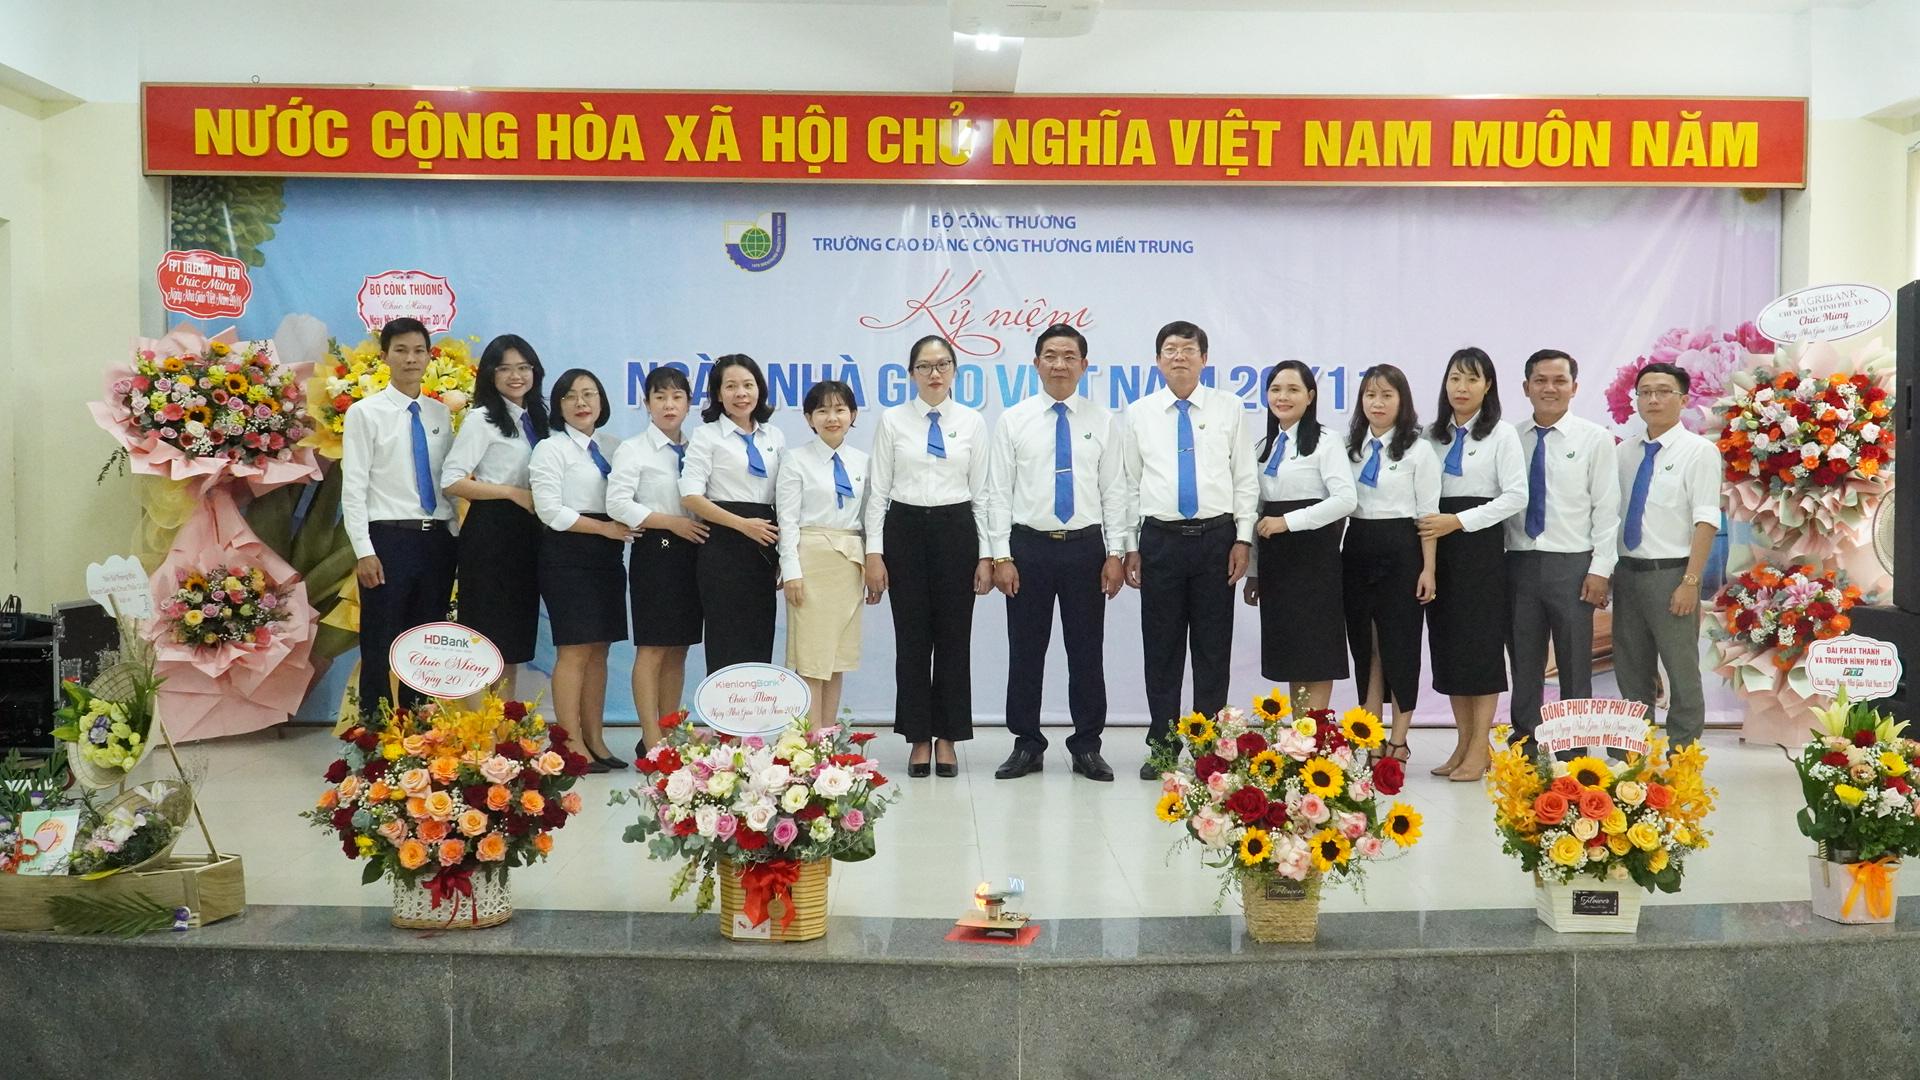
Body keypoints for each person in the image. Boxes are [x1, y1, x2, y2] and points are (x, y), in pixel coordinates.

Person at [985, 325, 1128, 783]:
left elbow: (1114, 491)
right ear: (1036, 364)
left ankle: (1087, 745)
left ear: (1084, 365)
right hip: (1028, 547)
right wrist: (1001, 556)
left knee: (1086, 652)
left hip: (1086, 548)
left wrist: (1116, 552)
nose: (1059, 364)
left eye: (1069, 356)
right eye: (1050, 356)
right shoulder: (1014, 420)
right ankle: (1027, 743)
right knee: (1026, 651)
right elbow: (997, 492)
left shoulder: (1103, 421)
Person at [1121, 321, 1258, 780]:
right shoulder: (1139, 413)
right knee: (1161, 649)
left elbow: (1244, 478)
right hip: (1159, 540)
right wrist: (1130, 546)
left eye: (1188, 349)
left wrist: (1243, 538)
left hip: (1216, 540)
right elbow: (1129, 483)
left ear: (1204, 358)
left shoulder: (1229, 407)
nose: (1179, 356)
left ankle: (1208, 749)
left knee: (1212, 649)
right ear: (1157, 360)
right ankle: (1162, 746)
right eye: (1170, 349)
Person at [864, 335, 992, 778]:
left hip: (957, 531)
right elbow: (878, 492)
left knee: (955, 639)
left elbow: (982, 494)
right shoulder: (893, 420)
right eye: (924, 366)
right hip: (905, 530)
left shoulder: (972, 421)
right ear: (911, 373)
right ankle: (919, 737)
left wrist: (987, 555)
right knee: (912, 640)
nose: (934, 373)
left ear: (955, 370)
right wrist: (874, 552)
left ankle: (948, 738)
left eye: (942, 365)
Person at [1416, 347, 1527, 780]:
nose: (1462, 388)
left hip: (1479, 551)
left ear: (1488, 386)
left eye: (1472, 379)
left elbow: (1516, 496)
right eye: (1455, 379)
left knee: (1480, 652)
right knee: (1450, 651)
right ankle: (1463, 743)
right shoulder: (1430, 436)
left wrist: (1459, 521)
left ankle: (1481, 747)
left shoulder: (1501, 435)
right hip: (1437, 550)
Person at [342, 317, 457, 719]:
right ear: (385, 356)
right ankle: (373, 732)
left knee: (426, 641)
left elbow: (447, 481)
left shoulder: (440, 414)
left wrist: (455, 535)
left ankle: (420, 729)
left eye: (419, 350)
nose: (411, 359)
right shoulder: (365, 413)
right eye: (402, 350)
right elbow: (353, 488)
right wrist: (364, 551)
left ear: (429, 357)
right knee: (381, 638)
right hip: (389, 540)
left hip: (437, 540)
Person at [1506, 349, 1620, 746]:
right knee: (1524, 661)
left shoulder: (1594, 439)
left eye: (1559, 381)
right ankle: (1525, 744)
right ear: (1526, 387)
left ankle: (1574, 747)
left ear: (1574, 387)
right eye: (1540, 380)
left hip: (1573, 565)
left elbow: (1607, 509)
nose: (1549, 388)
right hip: (1518, 562)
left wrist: (1600, 569)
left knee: (1574, 663)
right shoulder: (1509, 438)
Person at [530, 368, 633, 774]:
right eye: (570, 396)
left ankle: (595, 737)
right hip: (567, 552)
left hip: (608, 553)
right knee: (574, 649)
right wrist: (604, 529)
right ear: (558, 406)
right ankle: (570, 742)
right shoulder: (550, 449)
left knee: (600, 648)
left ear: (601, 401)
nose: (581, 402)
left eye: (589, 394)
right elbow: (549, 511)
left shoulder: (614, 447)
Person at [1611, 362, 1719, 747]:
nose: (1653, 399)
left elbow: (1706, 520)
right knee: (1630, 668)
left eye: (1663, 391)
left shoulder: (1699, 452)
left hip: (1672, 574)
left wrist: (1691, 581)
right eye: (1645, 392)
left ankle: (1682, 754)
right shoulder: (1624, 452)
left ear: (1683, 399)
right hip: (1627, 573)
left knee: (1680, 669)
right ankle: (1632, 753)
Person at [1242, 361, 1356, 713]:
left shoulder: (1326, 441)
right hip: (1277, 563)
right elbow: (1257, 510)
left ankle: (1315, 734)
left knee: (1316, 654)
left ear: (1310, 396)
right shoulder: (1263, 446)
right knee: (1292, 655)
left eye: (1293, 390)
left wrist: (1288, 522)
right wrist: (1254, 573)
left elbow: (1345, 500)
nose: (1283, 397)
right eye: (1276, 389)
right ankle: (1299, 733)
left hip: (1314, 559)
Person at [439, 334, 549, 697]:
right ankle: (481, 724)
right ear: (490, 374)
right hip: (492, 533)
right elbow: (451, 480)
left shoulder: (537, 419)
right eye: (505, 369)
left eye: (523, 367)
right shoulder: (482, 418)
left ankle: (503, 723)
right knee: (488, 639)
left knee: (513, 639)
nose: (516, 376)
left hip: (527, 533)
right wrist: (510, 492)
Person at [607, 366, 708, 758]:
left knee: (678, 647)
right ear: (647, 403)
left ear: (689, 404)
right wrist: (671, 523)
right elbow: (617, 503)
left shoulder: (697, 448)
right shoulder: (634, 449)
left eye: (677, 397)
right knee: (652, 648)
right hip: (657, 550)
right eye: (660, 397)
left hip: (693, 552)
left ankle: (671, 732)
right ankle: (650, 738)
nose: (669, 405)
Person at [1342, 364, 1440, 764]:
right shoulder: (1349, 447)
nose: (1377, 403)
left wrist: (1428, 569)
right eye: (1370, 395)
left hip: (1402, 550)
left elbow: (1428, 515)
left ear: (1402, 401)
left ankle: (1399, 739)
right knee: (1366, 648)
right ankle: (1370, 737)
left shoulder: (1419, 449)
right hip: (1357, 548)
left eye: (1386, 395)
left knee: (1400, 646)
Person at [681, 354, 786, 671]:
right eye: (731, 386)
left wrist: (784, 554)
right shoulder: (707, 435)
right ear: (718, 393)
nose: (741, 393)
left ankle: (756, 705)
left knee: (759, 636)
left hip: (763, 545)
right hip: (723, 546)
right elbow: (690, 496)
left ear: (759, 389)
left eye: (748, 385)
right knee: (726, 639)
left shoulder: (774, 436)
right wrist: (743, 525)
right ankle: (724, 706)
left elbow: (785, 495)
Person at [776, 379, 869, 726]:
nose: (832, 418)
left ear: (853, 415)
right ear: (808, 418)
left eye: (840, 409)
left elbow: (869, 517)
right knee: (811, 659)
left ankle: (827, 736)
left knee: (836, 659)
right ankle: (810, 740)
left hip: (850, 561)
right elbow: (787, 520)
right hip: (811, 560)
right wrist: (791, 570)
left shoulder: (863, 461)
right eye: (822, 410)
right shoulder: (795, 460)